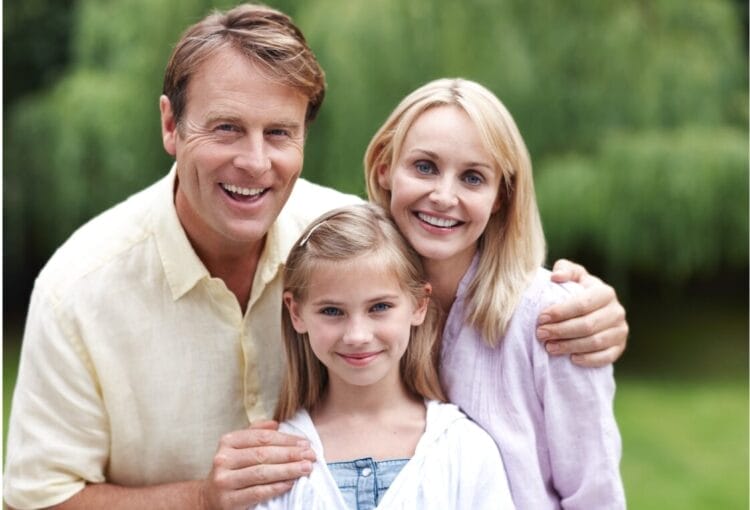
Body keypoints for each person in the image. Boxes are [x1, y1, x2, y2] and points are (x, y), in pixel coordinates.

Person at [4, 4, 626, 510]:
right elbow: (37, 501)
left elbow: (450, 232)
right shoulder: (77, 291)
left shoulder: (347, 235)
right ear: (171, 125)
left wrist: (584, 304)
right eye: (225, 128)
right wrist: (200, 498)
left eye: (279, 133)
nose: (254, 162)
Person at [365, 77, 626, 508]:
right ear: (384, 169)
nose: (443, 196)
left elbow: (595, 495)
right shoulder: (356, 310)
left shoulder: (553, 319)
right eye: (425, 167)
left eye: (472, 178)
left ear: (501, 196)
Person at [253, 203, 514, 509]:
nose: (357, 335)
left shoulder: (463, 448)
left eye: (379, 307)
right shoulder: (278, 462)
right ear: (296, 313)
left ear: (418, 304)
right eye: (332, 311)